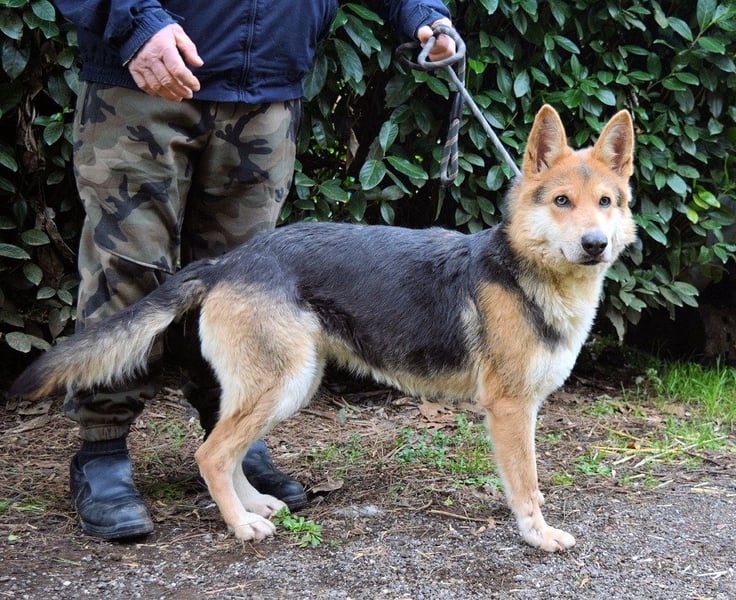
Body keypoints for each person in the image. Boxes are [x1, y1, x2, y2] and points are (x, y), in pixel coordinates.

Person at [51, 1, 456, 540]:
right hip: (142, 82)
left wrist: (422, 12)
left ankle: (230, 442)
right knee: (127, 273)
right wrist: (135, 23)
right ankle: (102, 449)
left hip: (265, 92)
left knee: (246, 299)